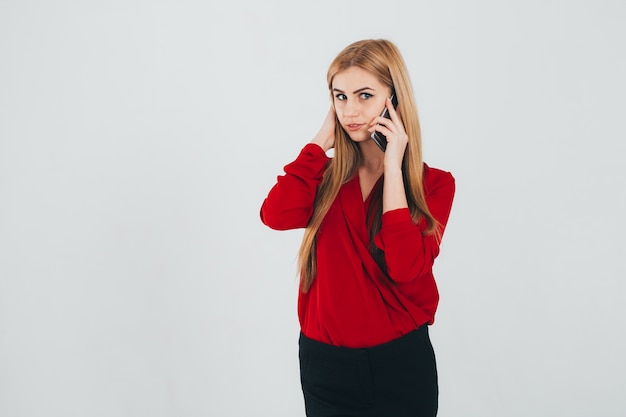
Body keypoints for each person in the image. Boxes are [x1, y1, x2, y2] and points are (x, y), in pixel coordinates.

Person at [260, 39, 455, 417]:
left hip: (400, 365)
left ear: (393, 99)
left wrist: (394, 169)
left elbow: (404, 266)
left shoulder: (434, 184)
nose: (350, 110)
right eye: (340, 96)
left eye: (364, 95)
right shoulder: (323, 177)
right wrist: (320, 141)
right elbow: (275, 215)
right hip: (325, 366)